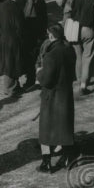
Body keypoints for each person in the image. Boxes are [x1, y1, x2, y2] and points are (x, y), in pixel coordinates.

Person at [36, 23, 75, 173]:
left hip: (51, 97)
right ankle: (67, 158)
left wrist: (39, 72)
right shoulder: (69, 49)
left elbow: (46, 80)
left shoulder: (51, 55)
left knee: (45, 130)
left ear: (51, 36)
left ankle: (46, 163)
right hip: (65, 94)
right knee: (64, 127)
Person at [69, 0, 94, 95]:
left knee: (78, 56)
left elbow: (69, 12)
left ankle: (77, 81)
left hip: (74, 29)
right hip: (88, 29)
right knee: (87, 57)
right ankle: (84, 84)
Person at [0, 0, 26, 97]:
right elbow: (21, 26)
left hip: (3, 37)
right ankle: (9, 89)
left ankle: (14, 86)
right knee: (12, 64)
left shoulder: (0, 6)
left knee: (8, 62)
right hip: (14, 39)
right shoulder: (17, 8)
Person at [20, 0, 48, 88]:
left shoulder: (37, 0)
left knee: (33, 58)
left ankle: (32, 80)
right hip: (33, 34)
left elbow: (39, 20)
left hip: (35, 35)